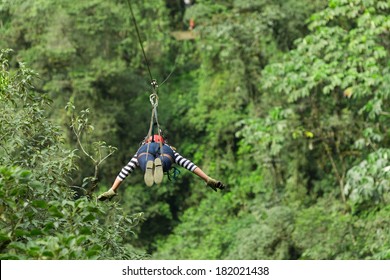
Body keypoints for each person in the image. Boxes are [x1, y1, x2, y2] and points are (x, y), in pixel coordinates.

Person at [98, 132, 225, 201]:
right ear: (163, 141)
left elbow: (124, 171)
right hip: (166, 152)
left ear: (145, 141)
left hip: (144, 152)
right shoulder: (169, 148)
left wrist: (112, 190)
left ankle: (150, 166)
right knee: (165, 161)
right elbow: (189, 165)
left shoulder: (140, 150)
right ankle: (161, 164)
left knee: (144, 162)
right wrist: (207, 178)